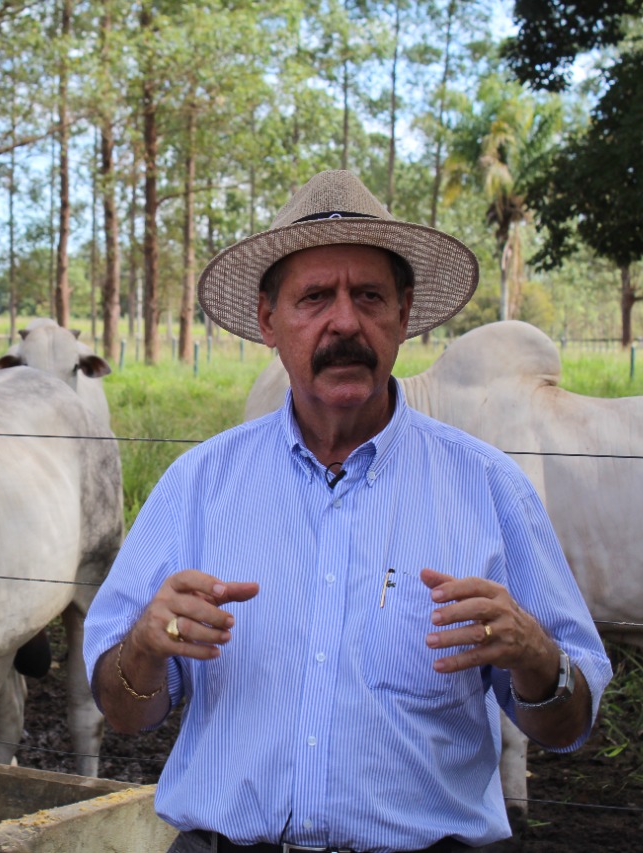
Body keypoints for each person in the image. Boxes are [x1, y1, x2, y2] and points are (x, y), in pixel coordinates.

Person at [83, 170, 612, 853]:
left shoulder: (488, 488)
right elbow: (123, 710)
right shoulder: (199, 485)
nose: (344, 321)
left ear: (405, 313)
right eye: (313, 298)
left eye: (368, 296)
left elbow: (569, 722)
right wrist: (144, 646)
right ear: (270, 321)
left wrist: (540, 658)